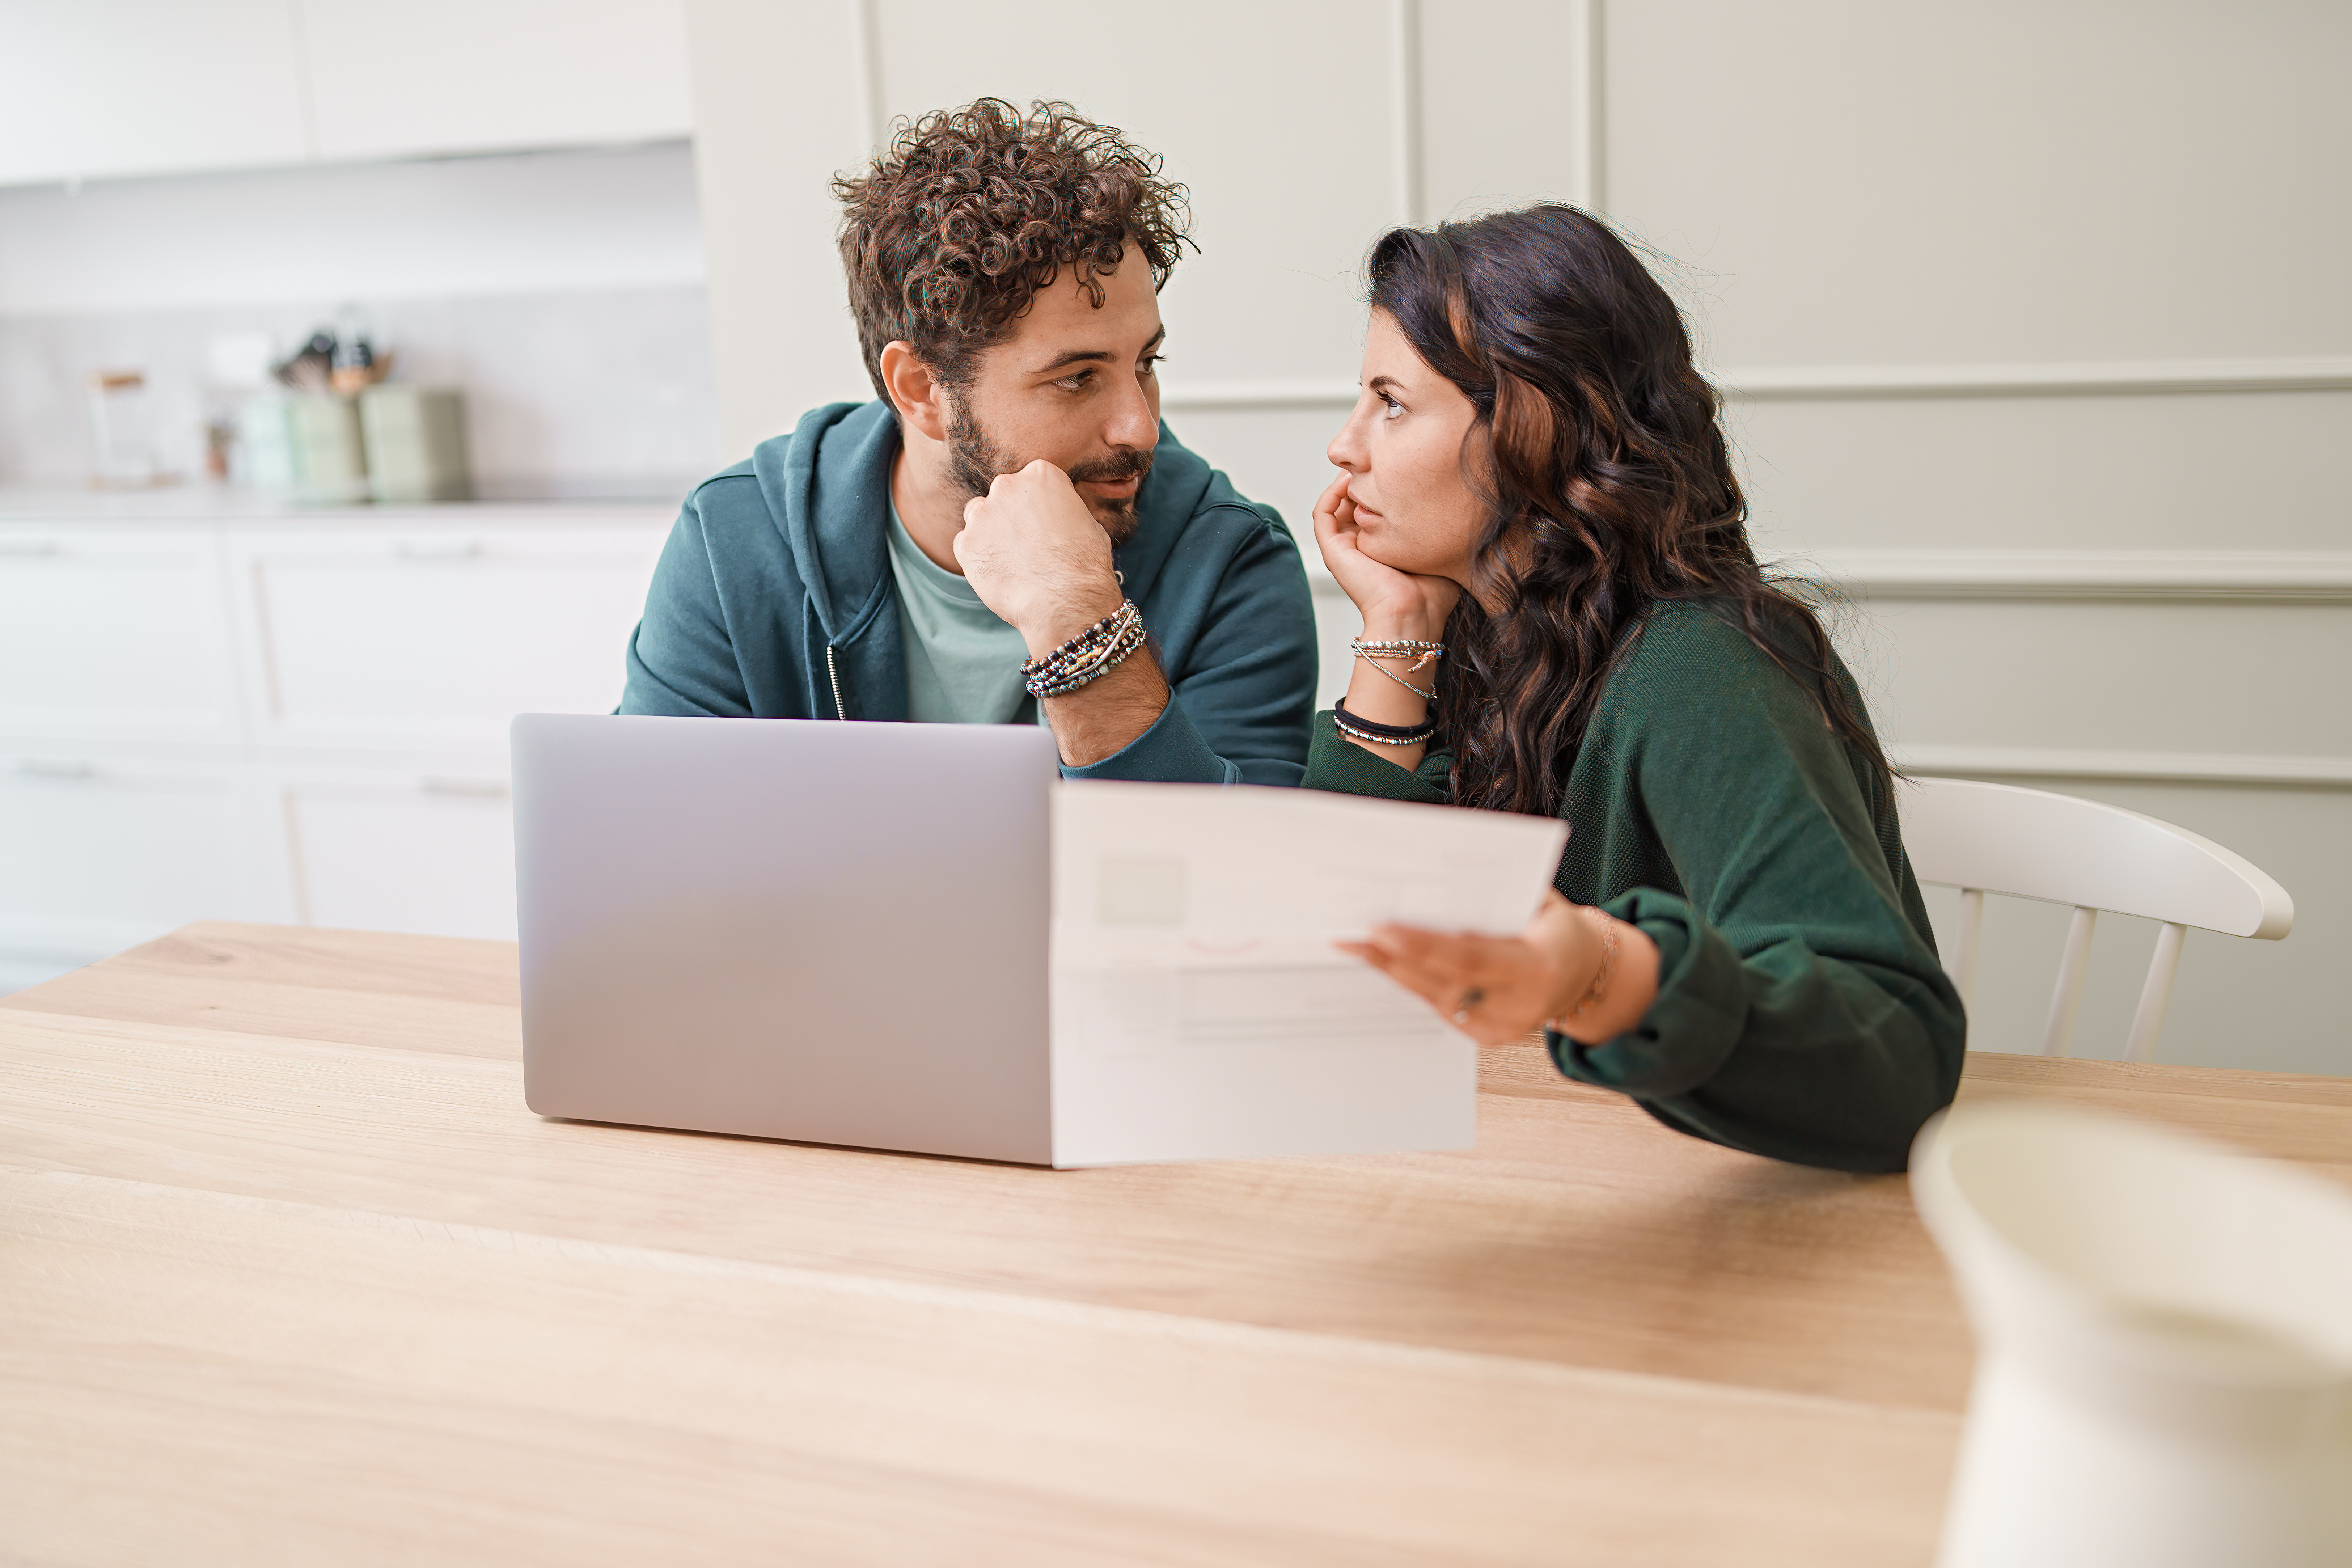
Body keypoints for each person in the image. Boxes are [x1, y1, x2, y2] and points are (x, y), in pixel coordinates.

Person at [1313, 204, 1963, 1173]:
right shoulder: (1496, 642)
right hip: (1548, 1178)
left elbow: (1897, 1056)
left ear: (1529, 425)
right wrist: (1395, 628)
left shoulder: (1702, 664)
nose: (1344, 446)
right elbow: (1343, 963)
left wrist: (1604, 974)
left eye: (1390, 402)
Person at [620, 100, 1318, 784]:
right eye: (1077, 379)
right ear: (922, 389)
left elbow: (1217, 879)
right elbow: (643, 844)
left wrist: (1082, 625)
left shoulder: (1231, 559)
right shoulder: (735, 542)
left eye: (1146, 364)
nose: (1140, 427)